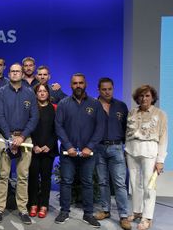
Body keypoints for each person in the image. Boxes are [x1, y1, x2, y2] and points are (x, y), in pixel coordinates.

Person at [54, 73, 104, 227]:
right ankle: (64, 211)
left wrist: (90, 146)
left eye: (81, 83)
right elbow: (58, 126)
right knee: (66, 182)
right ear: (70, 85)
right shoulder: (63, 103)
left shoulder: (95, 104)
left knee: (88, 182)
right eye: (75, 83)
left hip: (88, 153)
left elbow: (100, 127)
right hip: (68, 153)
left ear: (85, 84)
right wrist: (68, 146)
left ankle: (88, 214)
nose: (78, 86)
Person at [0, 63, 38, 225]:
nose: (15, 73)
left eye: (17, 71)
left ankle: (23, 210)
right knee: (3, 175)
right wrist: (10, 138)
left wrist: (22, 136)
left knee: (23, 176)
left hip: (25, 138)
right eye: (12, 71)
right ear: (9, 73)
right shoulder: (1, 92)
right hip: (5, 136)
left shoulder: (29, 93)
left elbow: (34, 117)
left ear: (21, 74)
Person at [125, 85, 168, 230]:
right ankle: (137, 211)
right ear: (137, 98)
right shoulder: (132, 112)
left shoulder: (160, 114)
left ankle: (147, 217)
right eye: (141, 96)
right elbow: (128, 134)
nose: (144, 98)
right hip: (132, 152)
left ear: (153, 97)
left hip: (150, 153)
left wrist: (160, 160)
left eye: (147, 96)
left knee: (149, 186)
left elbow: (163, 138)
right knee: (134, 183)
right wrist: (126, 151)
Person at [93, 78, 131, 230]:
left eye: (110, 89)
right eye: (104, 89)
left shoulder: (121, 106)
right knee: (102, 182)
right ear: (99, 90)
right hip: (98, 148)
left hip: (116, 148)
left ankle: (123, 216)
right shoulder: (93, 105)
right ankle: (105, 210)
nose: (107, 92)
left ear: (113, 89)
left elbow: (127, 129)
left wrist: (126, 148)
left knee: (120, 184)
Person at [27, 83, 58, 219]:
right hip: (34, 149)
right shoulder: (31, 109)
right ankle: (33, 204)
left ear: (48, 93)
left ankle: (44, 205)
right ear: (36, 94)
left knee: (46, 178)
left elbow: (56, 129)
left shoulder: (54, 108)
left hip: (48, 149)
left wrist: (49, 145)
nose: (42, 93)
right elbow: (28, 128)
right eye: (39, 91)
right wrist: (34, 145)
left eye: (44, 91)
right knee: (33, 177)